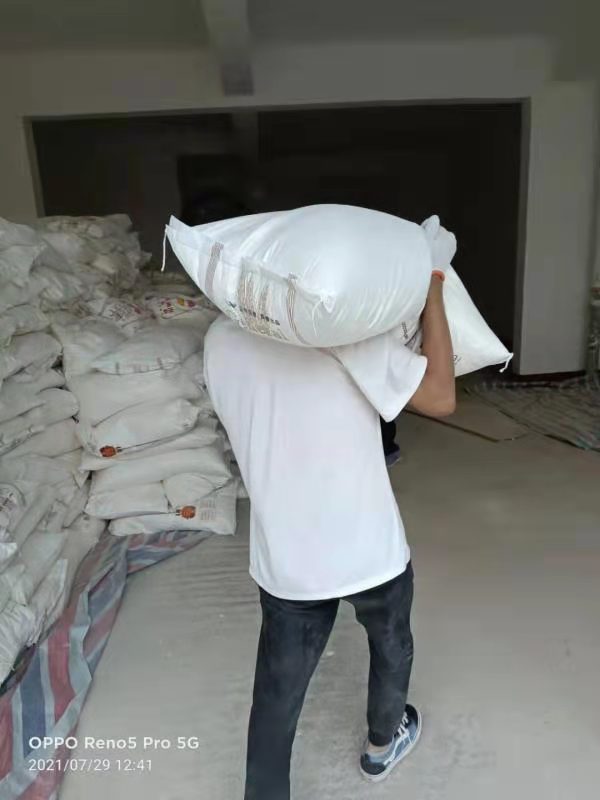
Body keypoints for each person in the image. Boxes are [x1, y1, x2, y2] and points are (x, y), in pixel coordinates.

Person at [204, 257, 455, 799]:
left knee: (278, 691)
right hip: (370, 549)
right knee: (391, 647)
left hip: (287, 558)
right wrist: (433, 282)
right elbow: (441, 396)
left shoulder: (218, 339)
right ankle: (382, 747)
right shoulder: (345, 334)